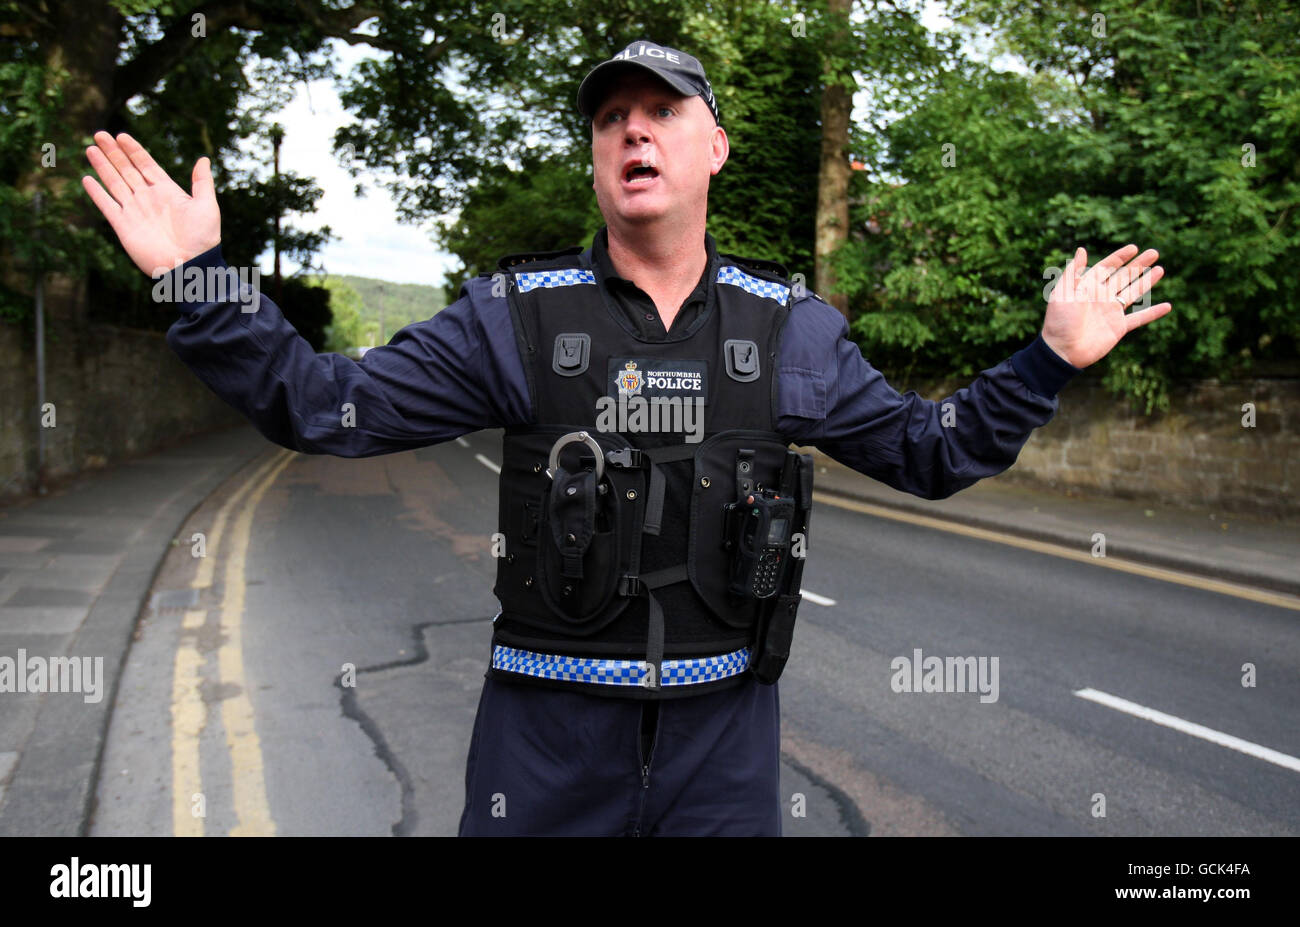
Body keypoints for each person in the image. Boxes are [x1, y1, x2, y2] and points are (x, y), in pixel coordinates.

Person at [80, 39, 1171, 837]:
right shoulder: (514, 315)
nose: (633, 130)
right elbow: (324, 406)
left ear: (714, 148)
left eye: (660, 110)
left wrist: (1050, 361)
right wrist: (200, 279)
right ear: (597, 157)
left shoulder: (788, 327)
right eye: (611, 118)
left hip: (724, 752)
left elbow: (932, 453)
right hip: (543, 747)